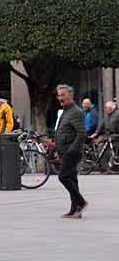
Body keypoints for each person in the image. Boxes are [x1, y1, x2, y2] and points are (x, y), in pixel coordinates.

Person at [55, 85, 89, 219]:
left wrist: (71, 150)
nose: (60, 98)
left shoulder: (76, 111)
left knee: (63, 177)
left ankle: (81, 202)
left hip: (72, 151)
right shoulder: (66, 111)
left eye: (63, 95)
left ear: (71, 95)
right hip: (65, 151)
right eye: (59, 96)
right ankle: (74, 209)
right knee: (72, 179)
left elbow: (81, 134)